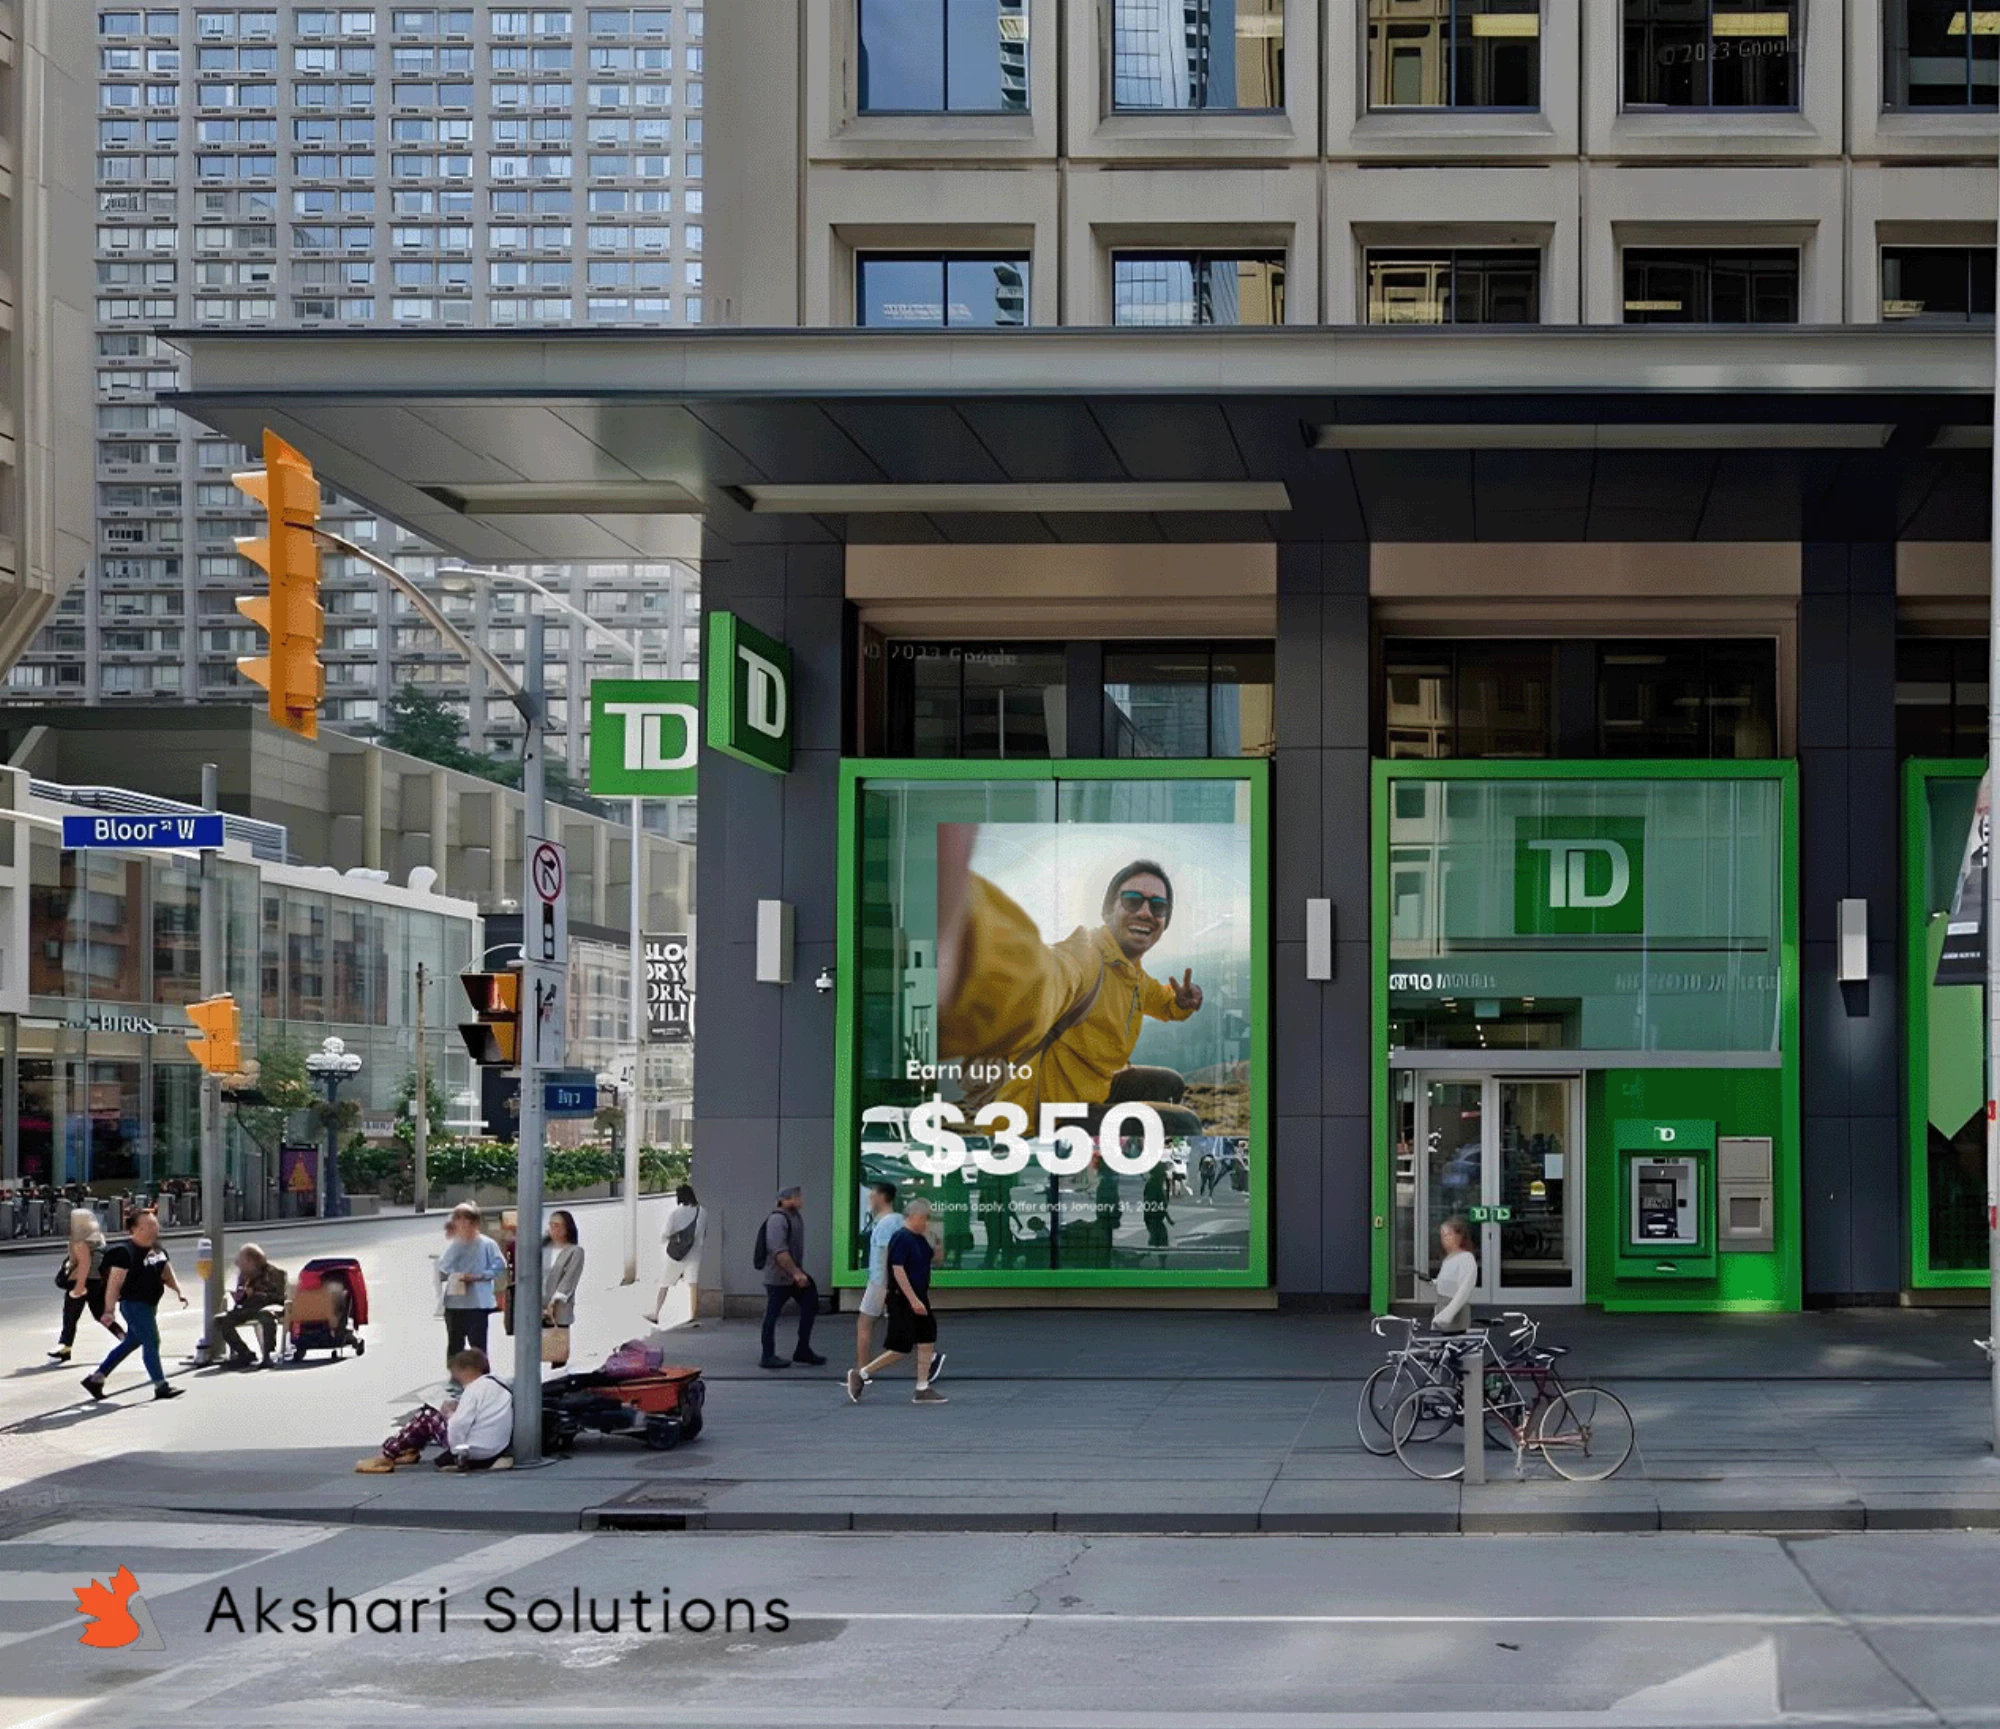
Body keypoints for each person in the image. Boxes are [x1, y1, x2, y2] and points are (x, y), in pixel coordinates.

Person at [937, 846, 1206, 1138]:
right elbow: (1052, 976)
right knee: (1185, 1124)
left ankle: (1116, 1144)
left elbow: (1162, 1002)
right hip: (1046, 1116)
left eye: (1158, 906)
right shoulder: (1085, 955)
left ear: (1164, 921)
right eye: (1132, 900)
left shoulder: (1134, 975)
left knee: (1169, 1083)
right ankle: (1097, 1160)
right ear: (1107, 910)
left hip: (1090, 1091)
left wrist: (1180, 1003)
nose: (1145, 912)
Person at [846, 1198, 946, 1405]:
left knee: (927, 1338)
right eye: (925, 1218)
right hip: (903, 1298)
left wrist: (938, 1243)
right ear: (915, 1216)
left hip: (919, 1296)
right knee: (901, 1347)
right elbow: (898, 1270)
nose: (927, 1222)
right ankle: (862, 1373)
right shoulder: (901, 1238)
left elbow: (935, 1260)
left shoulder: (920, 1239)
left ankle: (922, 1387)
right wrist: (913, 1299)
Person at [81, 1210, 187, 1401]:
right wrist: (109, 1310)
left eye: (155, 1224)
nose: (155, 1228)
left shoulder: (157, 1249)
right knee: (152, 1341)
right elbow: (115, 1284)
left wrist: (178, 1290)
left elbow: (165, 1270)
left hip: (150, 1304)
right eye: (150, 1225)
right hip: (134, 1305)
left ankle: (96, 1378)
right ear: (136, 1229)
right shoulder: (125, 1252)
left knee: (133, 1341)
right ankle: (160, 1385)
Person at [355, 1348, 514, 1473]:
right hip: (495, 1447)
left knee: (428, 1416)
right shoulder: (497, 1384)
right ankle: (409, 1450)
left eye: (457, 1374)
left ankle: (386, 1454)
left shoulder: (474, 1389)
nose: (456, 1379)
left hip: (473, 1449)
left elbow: (459, 1424)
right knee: (435, 1416)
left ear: (467, 1370)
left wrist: (455, 1450)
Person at [758, 1185, 827, 1370]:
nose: (800, 1200)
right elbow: (778, 1250)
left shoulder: (794, 1216)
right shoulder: (777, 1219)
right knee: (772, 1315)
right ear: (785, 1200)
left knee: (810, 1303)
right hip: (779, 1278)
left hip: (794, 1275)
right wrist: (796, 1273)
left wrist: (798, 1273)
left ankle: (802, 1349)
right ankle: (767, 1356)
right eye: (797, 1197)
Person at [437, 1202, 507, 1361]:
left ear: (474, 1222)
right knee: (455, 1346)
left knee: (478, 1346)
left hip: (477, 1304)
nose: (461, 1224)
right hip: (454, 1303)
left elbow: (499, 1265)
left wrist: (478, 1276)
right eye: (457, 1219)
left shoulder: (487, 1244)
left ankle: (481, 1374)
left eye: (465, 1220)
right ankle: (456, 1374)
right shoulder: (453, 1244)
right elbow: (443, 1267)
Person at [49, 1208, 120, 1363]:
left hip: (82, 1281)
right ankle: (124, 1337)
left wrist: (79, 1288)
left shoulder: (80, 1240)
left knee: (70, 1316)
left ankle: (65, 1347)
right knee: (100, 1314)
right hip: (98, 1281)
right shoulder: (98, 1237)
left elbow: (84, 1264)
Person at [855, 1181, 903, 1378]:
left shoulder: (885, 1224)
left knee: (864, 1324)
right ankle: (929, 1356)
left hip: (880, 1282)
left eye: (872, 1194)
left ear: (881, 1197)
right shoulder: (898, 1220)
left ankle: (861, 1372)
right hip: (889, 1282)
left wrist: (884, 1286)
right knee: (903, 1327)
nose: (869, 1198)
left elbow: (885, 1256)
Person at [212, 1244, 288, 1369]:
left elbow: (279, 1297)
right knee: (223, 1320)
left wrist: (258, 1293)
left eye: (240, 1260)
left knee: (266, 1316)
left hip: (268, 1306)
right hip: (249, 1307)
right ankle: (245, 1353)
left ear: (250, 1261)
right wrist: (242, 1295)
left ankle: (268, 1355)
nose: (237, 1264)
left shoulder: (275, 1273)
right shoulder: (244, 1276)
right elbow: (239, 1297)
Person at [643, 1183, 705, 1327]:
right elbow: (702, 1237)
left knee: (664, 1284)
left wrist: (672, 1238)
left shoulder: (675, 1214)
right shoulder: (702, 1212)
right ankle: (694, 1316)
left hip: (676, 1256)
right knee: (693, 1285)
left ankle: (656, 1314)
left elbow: (665, 1236)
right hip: (695, 1254)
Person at [541, 1209, 584, 1369]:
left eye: (558, 1225)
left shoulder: (575, 1251)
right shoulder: (543, 1250)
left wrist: (555, 1300)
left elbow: (570, 1279)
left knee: (556, 1354)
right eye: (551, 1225)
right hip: (539, 1305)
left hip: (558, 1308)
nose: (554, 1229)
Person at [1431, 1216, 1479, 1336]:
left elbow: (1464, 1290)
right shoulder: (1449, 1258)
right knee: (1440, 1342)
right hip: (1442, 1308)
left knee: (1453, 1341)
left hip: (1455, 1312)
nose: (1445, 1239)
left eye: (1449, 1235)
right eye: (1443, 1236)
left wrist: (1447, 1314)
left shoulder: (1466, 1258)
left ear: (1460, 1236)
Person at [1142, 1162, 1173, 1264]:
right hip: (1153, 1218)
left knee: (1157, 1239)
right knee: (1160, 1240)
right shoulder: (1153, 1185)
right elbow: (1154, 1204)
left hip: (1154, 1218)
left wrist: (1167, 1217)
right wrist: (1166, 1217)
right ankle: (1155, 1262)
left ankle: (1157, 1261)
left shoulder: (1156, 1184)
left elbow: (1160, 1203)